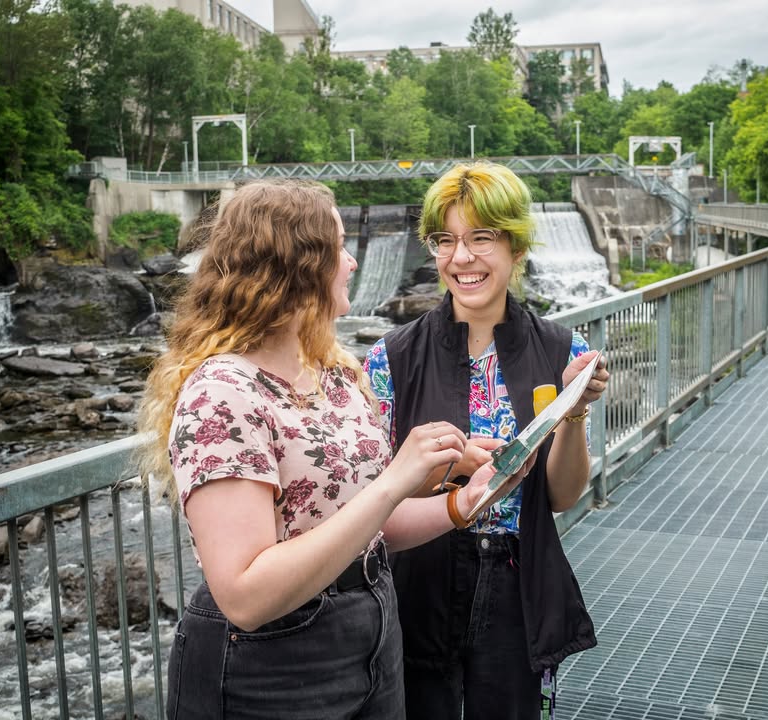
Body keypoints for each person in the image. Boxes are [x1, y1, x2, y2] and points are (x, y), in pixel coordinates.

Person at [137, 179, 521, 720]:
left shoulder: (335, 373)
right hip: (271, 666)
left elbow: (364, 524)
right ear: (299, 265)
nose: (352, 263)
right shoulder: (221, 393)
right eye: (339, 248)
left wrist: (460, 501)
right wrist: (394, 480)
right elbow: (245, 597)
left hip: (373, 632)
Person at [363, 162, 610, 720]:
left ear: (516, 247)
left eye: (481, 238)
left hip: (515, 581)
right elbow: (371, 499)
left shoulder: (560, 352)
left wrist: (574, 414)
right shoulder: (390, 360)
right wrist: (450, 471)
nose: (461, 258)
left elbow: (564, 495)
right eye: (445, 240)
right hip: (417, 581)